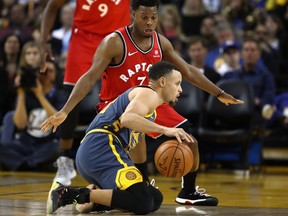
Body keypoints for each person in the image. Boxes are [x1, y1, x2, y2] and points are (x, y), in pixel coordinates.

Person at [42, 0, 244, 210]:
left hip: (149, 99)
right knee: (138, 144)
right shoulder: (114, 41)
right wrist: (66, 110)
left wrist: (219, 93)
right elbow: (90, 76)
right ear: (133, 15)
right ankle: (133, 186)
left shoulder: (161, 43)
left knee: (188, 139)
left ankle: (187, 192)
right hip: (117, 103)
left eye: (153, 17)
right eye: (144, 17)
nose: (149, 22)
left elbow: (188, 70)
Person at [41, 61, 194, 214]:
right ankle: (68, 194)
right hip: (102, 148)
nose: (180, 89)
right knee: (143, 201)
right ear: (162, 82)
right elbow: (127, 118)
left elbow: (137, 143)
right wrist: (166, 130)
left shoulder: (149, 106)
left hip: (94, 153)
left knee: (154, 198)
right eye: (177, 83)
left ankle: (93, 200)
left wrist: (142, 176)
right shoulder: (149, 94)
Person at [40, 0, 131, 186]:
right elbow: (52, 6)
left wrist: (157, 39)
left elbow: (147, 9)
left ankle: (127, 159)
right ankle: (65, 161)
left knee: (126, 98)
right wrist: (43, 41)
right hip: (84, 38)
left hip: (119, 38)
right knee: (72, 95)